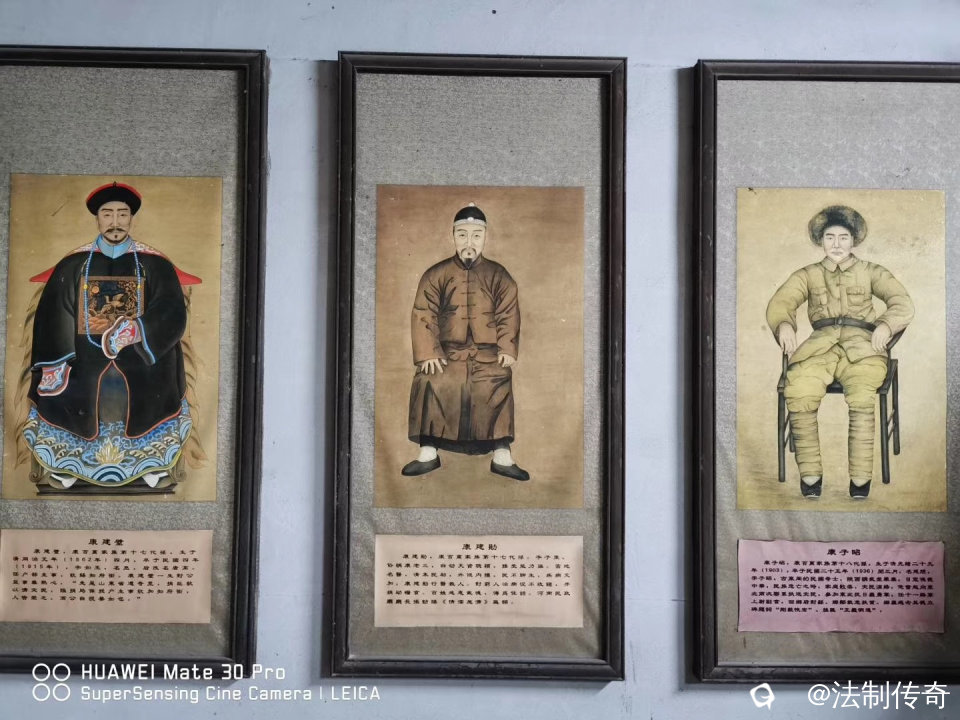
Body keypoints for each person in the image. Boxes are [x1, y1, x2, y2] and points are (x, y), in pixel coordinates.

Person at [22, 182, 197, 491]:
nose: (115, 222)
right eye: (107, 214)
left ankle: (150, 461)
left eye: (122, 214)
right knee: (67, 386)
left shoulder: (154, 264)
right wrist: (56, 362)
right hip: (82, 354)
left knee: (155, 381)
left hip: (142, 353)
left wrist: (139, 331)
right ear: (97, 218)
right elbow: (54, 311)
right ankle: (68, 463)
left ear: (131, 218)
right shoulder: (74, 264)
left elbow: (171, 309)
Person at [766, 205, 913, 499]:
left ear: (853, 240)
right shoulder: (807, 274)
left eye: (843, 238)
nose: (836, 244)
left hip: (864, 348)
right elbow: (782, 301)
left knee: (861, 395)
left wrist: (886, 325)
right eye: (830, 237)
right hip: (819, 347)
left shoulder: (872, 271)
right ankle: (810, 476)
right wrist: (783, 324)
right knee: (799, 389)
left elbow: (902, 302)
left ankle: (860, 479)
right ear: (820, 240)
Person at [402, 203, 529, 481]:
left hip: (488, 354)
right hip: (446, 353)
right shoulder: (435, 274)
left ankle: (501, 453)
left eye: (475, 235)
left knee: (497, 382)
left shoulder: (499, 275)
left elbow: (508, 313)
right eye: (462, 235)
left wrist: (507, 347)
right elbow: (424, 312)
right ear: (453, 236)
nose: (469, 242)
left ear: (484, 237)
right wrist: (428, 352)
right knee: (430, 379)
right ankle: (428, 450)